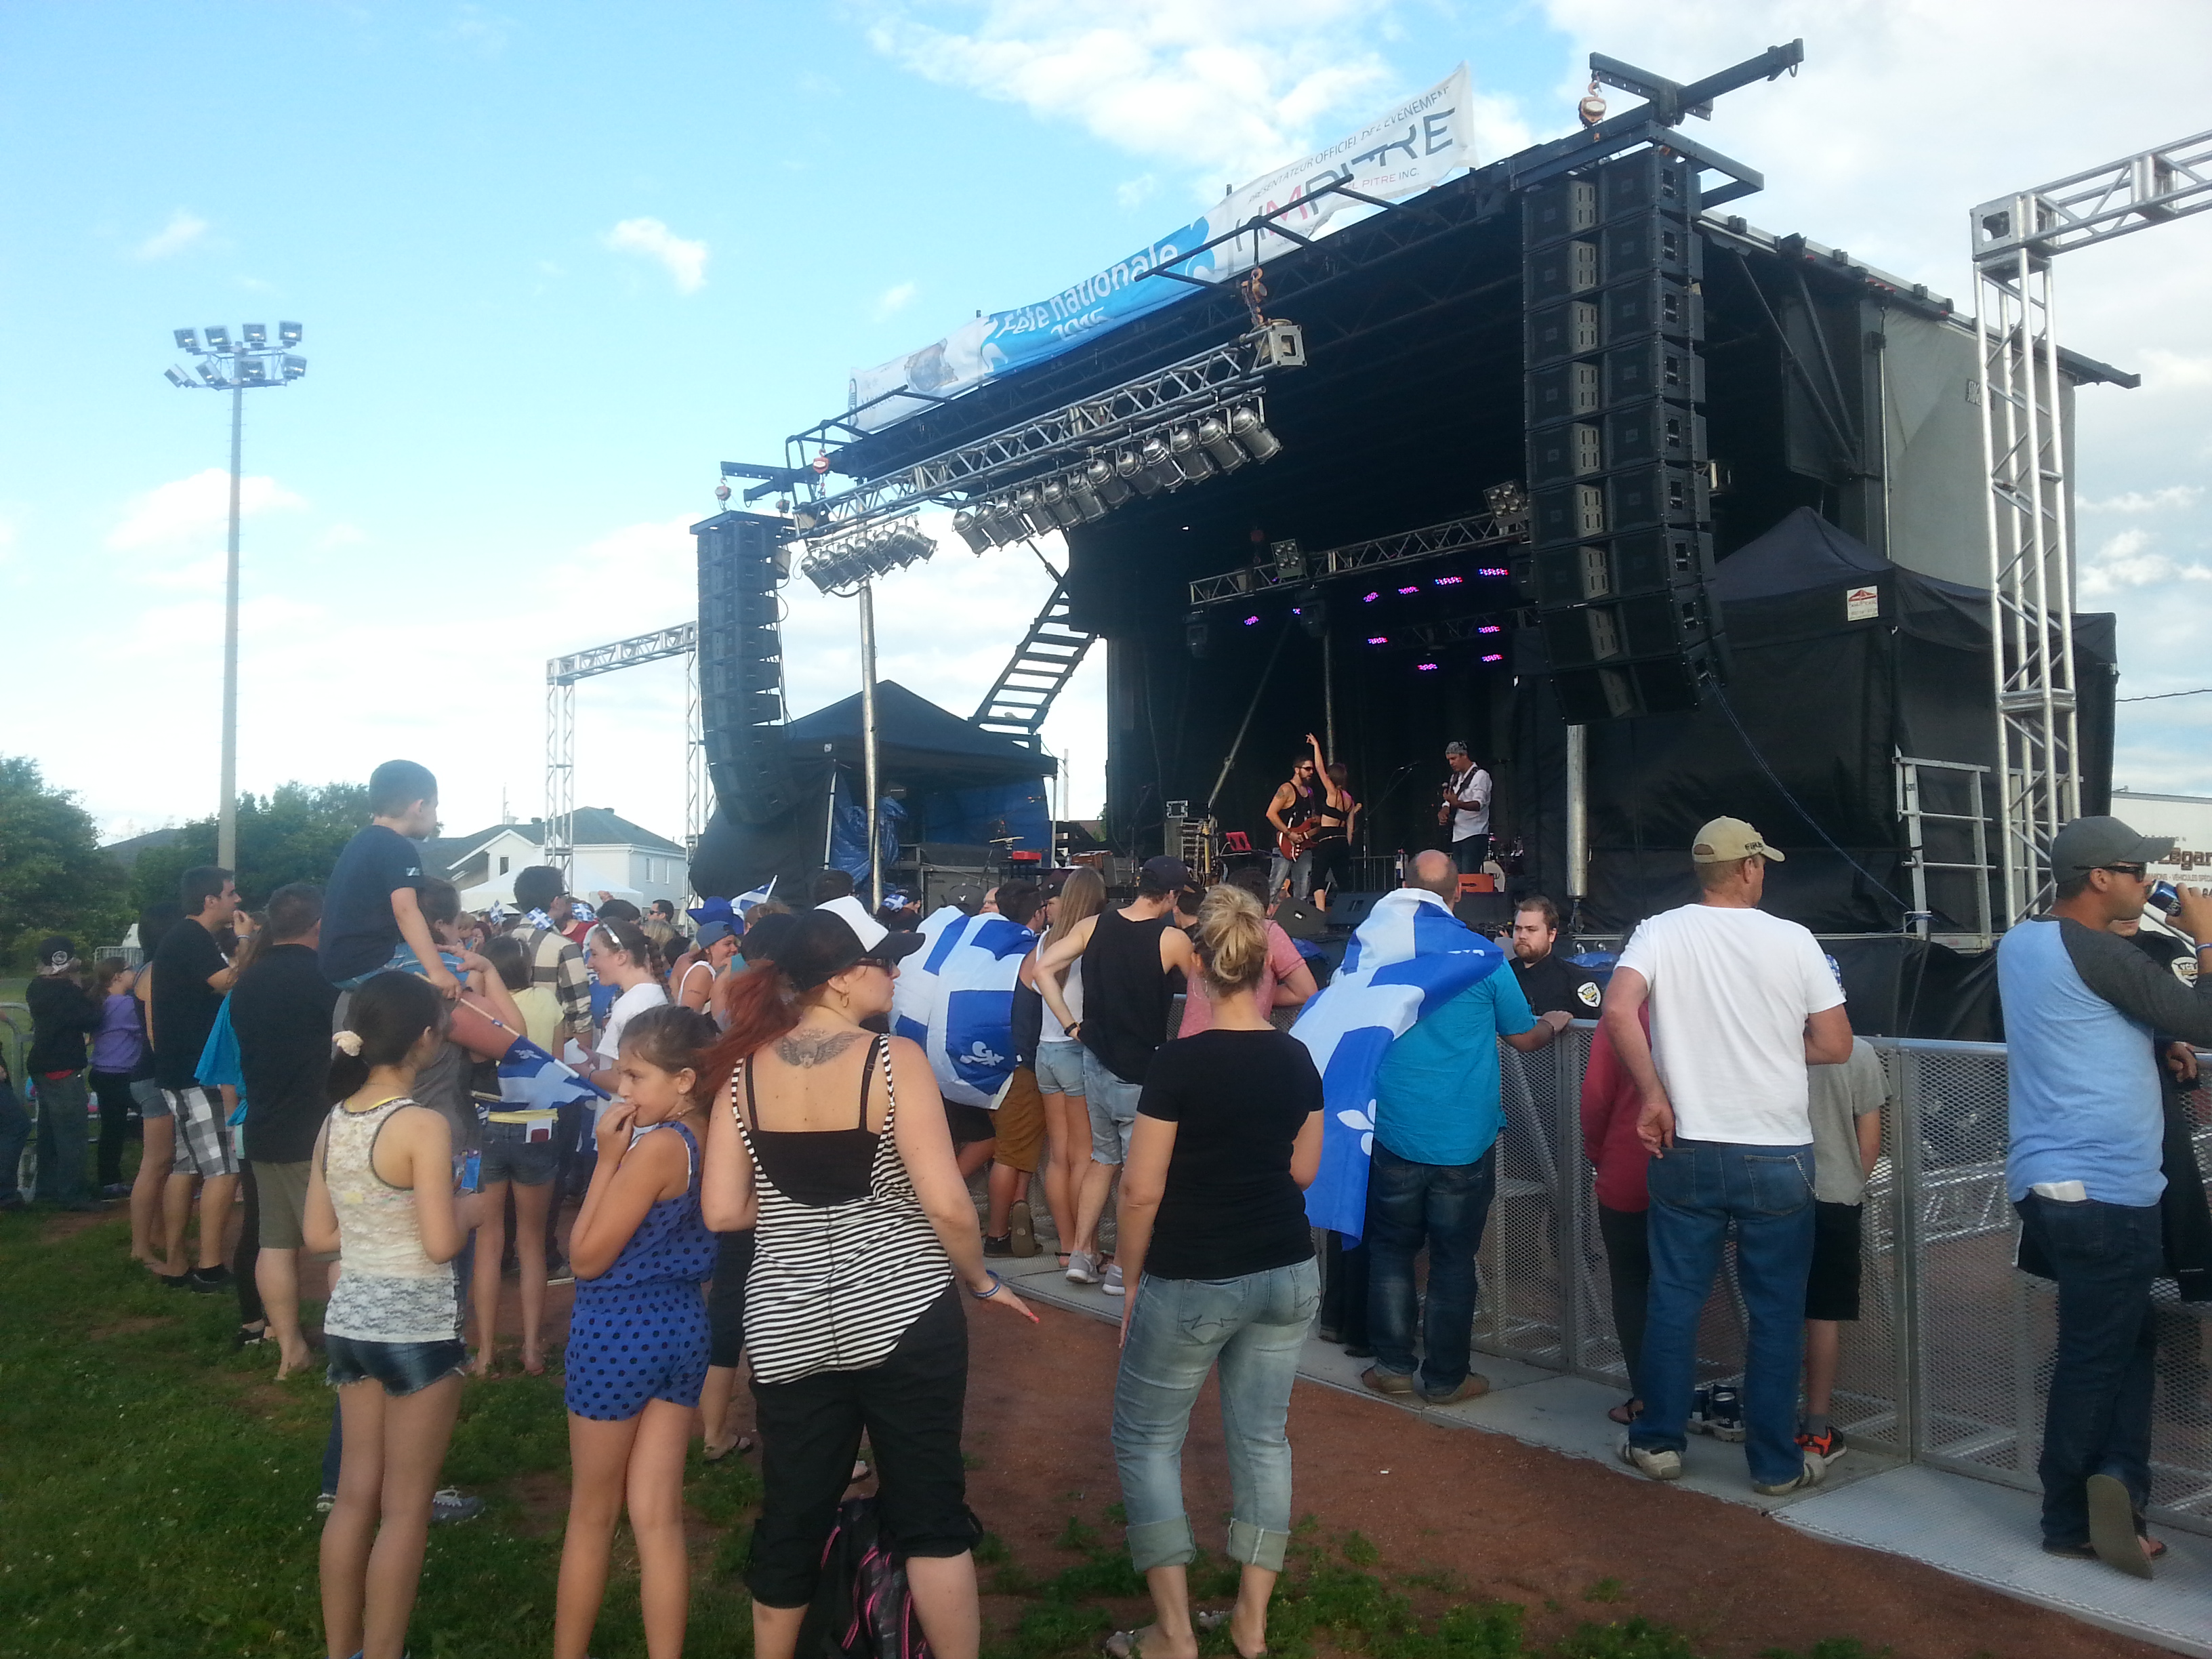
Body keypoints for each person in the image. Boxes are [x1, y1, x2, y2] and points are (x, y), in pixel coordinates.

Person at [699, 895, 1037, 1659]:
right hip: (903, 1309)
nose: (896, 972)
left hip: (785, 1318)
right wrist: (982, 1281)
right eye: (884, 962)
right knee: (930, 1515)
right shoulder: (892, 1060)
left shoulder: (743, 1071)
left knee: (792, 1516)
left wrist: (793, 1212)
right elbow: (946, 1202)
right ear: (843, 979)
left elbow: (722, 1209)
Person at [1106, 883, 1326, 1659]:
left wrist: (1132, 1280)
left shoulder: (1178, 1064)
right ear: (1265, 965)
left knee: (1146, 1439)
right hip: (1287, 1267)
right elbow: (1304, 1172)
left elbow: (1140, 1190)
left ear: (1198, 963)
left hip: (1194, 1271)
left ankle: (1172, 1632)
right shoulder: (1297, 1057)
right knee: (1263, 1441)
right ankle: (1249, 1624)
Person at [1602, 817, 1853, 1496]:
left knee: (1674, 1299)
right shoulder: (1794, 939)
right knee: (1776, 1311)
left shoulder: (1659, 931)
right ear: (1748, 868)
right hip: (1776, 1151)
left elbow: (1618, 1011)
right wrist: (1770, 1049)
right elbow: (1835, 1044)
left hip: (1686, 1144)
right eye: (1762, 864)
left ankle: (1658, 1442)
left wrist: (1654, 1093)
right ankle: (1774, 1464)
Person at [1997, 816, 2212, 1576]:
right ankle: (2068, 1518)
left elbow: (2080, 1019)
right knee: (2096, 1355)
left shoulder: (2022, 942)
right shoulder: (2098, 950)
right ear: (2099, 878)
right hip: (2103, 1191)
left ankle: (2118, 1487)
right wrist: (2206, 936)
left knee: (2125, 1343)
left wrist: (2157, 1041)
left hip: (2055, 1183)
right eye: (2136, 871)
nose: (2147, 884)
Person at [306, 970, 480, 1659]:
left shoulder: (334, 1121)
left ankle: (341, 1649)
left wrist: (377, 1224)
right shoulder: (422, 1125)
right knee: (405, 1508)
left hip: (351, 1320)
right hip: (416, 1328)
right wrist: (470, 1209)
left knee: (354, 1497)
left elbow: (319, 1234)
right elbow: (440, 1244)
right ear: (426, 1039)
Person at [1360, 851, 1571, 1405]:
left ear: (1404, 888)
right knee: (1453, 1260)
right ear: (1458, 895)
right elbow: (1524, 1037)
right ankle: (1446, 1378)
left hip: (1394, 1128)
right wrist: (1553, 1024)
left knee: (1392, 1250)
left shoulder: (1379, 951)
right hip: (1463, 1137)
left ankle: (1392, 1367)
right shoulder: (1483, 958)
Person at [555, 1004, 720, 1659]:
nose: (621, 1089)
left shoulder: (655, 1148)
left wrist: (605, 1162)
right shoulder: (710, 1135)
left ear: (684, 1079)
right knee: (659, 1517)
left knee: (592, 1514)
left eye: (635, 1076)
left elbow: (585, 1257)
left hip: (617, 1329)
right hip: (683, 1322)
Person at [1036, 855, 1201, 1294]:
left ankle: (1081, 1255)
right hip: (1142, 1068)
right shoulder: (1171, 939)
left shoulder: (1093, 925)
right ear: (1171, 895)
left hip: (1095, 1059)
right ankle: (1122, 1268)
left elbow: (1042, 970)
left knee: (1102, 1160)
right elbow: (1207, 992)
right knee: (1138, 1172)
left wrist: (1071, 1026)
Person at [697, 914, 799, 1464]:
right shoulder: (796, 1029)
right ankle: (799, 1441)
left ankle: (714, 1432)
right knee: (786, 1318)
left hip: (738, 1187)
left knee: (732, 1306)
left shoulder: (734, 1015)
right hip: (784, 1194)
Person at [229, 883, 340, 1378]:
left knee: (275, 1243)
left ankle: (290, 1349)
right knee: (339, 1247)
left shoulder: (247, 979)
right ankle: (350, 1351)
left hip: (262, 1124)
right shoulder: (324, 978)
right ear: (319, 925)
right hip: (313, 1129)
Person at [150, 866, 245, 1289]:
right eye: (231, 893)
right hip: (196, 1072)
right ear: (210, 900)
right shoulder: (191, 937)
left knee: (187, 1166)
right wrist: (247, 941)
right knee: (223, 1167)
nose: (237, 900)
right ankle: (209, 1268)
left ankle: (177, 1263)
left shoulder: (187, 937)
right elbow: (230, 983)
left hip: (183, 1068)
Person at [1800, 1036, 1885, 1460]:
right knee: (1823, 1314)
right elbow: (1870, 1139)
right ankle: (1815, 1428)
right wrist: (1851, 1184)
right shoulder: (1858, 1051)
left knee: (1771, 1306)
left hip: (1769, 1190)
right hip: (1833, 1194)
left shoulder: (1764, 1038)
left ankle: (1768, 1415)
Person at [319, 760, 453, 996]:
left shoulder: (360, 842)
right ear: (420, 807)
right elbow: (406, 910)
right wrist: (437, 971)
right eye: (435, 807)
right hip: (369, 961)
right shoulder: (398, 847)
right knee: (468, 971)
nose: (435, 816)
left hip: (337, 964)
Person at [1026, 867, 1105, 1267]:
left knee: (1058, 1156)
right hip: (1074, 1050)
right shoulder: (1089, 939)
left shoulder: (1045, 940)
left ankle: (1066, 1245)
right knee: (1084, 1156)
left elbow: (1030, 982)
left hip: (1046, 1052)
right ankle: (1086, 1249)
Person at [1580, 998, 1653, 1425]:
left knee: (1632, 1285)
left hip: (1629, 1166)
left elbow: (1596, 1098)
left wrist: (1601, 1155)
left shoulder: (1625, 1011)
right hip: (1703, 1167)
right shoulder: (1714, 999)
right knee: (1684, 1288)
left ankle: (1649, 1400)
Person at [979, 879, 1046, 1257]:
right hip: (1018, 1061)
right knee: (1011, 1151)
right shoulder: (1034, 950)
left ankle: (1020, 1212)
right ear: (1038, 913)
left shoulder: (980, 947)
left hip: (974, 1059)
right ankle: (998, 1235)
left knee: (1016, 1145)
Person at [1179, 865, 1315, 1035]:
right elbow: (1306, 991)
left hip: (1190, 1041)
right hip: (1244, 1040)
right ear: (1269, 909)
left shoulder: (1209, 926)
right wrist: (1257, 993)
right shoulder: (1267, 931)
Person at [25, 935, 101, 1210]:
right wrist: (85, 990)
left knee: (49, 1133)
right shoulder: (66, 991)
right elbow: (91, 1018)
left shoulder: (36, 986)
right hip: (63, 1066)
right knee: (72, 1134)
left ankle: (48, 1187)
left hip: (43, 1065)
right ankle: (73, 1193)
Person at [127, 901, 182, 1263]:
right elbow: (154, 1034)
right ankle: (141, 1248)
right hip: (155, 1076)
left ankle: (157, 1237)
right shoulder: (155, 972)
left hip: (152, 1074)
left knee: (165, 1164)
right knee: (156, 1162)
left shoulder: (150, 969)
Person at [584, 919, 668, 1099]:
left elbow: (620, 1079)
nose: (589, 963)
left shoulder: (632, 1005)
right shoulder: (649, 994)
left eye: (595, 954)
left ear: (621, 957)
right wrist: (600, 1061)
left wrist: (582, 1073)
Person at [87, 958, 145, 1197]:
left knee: (112, 1128)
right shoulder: (126, 1005)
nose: (134, 973)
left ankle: (109, 1181)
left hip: (103, 1072)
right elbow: (146, 1029)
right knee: (156, 1115)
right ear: (117, 977)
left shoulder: (104, 1002)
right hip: (120, 1073)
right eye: (129, 969)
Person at [1509, 897, 1601, 1019]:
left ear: (1551, 935)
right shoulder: (1500, 975)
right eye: (1518, 929)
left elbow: (1593, 1028)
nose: (1522, 936)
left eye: (1531, 930)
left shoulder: (1577, 981)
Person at [1300, 733, 1357, 912]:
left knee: (1318, 879)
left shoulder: (1333, 793)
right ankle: (1349, 914)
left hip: (1328, 840)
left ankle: (1320, 914)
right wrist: (1347, 845)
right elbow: (1350, 826)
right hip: (1342, 842)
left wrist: (1316, 745)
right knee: (1344, 882)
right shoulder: (1349, 799)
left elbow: (1319, 768)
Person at [1263, 752, 1324, 903]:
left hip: (1304, 844)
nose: (1311, 772)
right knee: (1275, 886)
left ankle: (1298, 916)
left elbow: (1311, 819)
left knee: (1303, 888)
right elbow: (1271, 813)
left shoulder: (1310, 792)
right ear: (1297, 770)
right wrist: (1289, 833)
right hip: (1284, 844)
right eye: (1307, 769)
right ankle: (1266, 915)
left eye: (1312, 769)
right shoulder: (1286, 789)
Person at [1439, 741, 1492, 877]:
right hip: (1458, 835)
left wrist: (1457, 804)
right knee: (1458, 879)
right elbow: (1449, 802)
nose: (1451, 763)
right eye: (1449, 760)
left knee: (1469, 878)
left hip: (1475, 834)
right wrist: (1444, 811)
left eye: (1454, 758)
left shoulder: (1481, 776)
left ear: (1464, 756)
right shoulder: (1455, 777)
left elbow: (1478, 804)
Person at [672, 919, 737, 1014]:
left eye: (735, 944)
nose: (734, 949)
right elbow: (688, 1016)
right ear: (707, 949)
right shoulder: (701, 972)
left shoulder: (720, 972)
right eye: (727, 944)